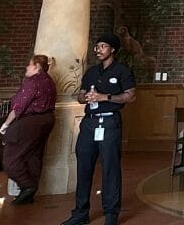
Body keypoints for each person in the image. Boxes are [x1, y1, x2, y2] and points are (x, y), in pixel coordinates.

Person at [61, 33, 135, 225]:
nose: (99, 50)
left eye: (103, 46)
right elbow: (80, 95)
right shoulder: (91, 72)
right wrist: (84, 97)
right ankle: (80, 213)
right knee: (83, 166)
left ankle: (111, 214)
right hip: (89, 123)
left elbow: (130, 96)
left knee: (110, 167)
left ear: (112, 50)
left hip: (110, 123)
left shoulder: (122, 71)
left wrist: (105, 98)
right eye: (97, 47)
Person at [1, 53, 58, 205]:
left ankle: (28, 186)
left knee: (10, 159)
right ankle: (28, 193)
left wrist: (6, 124)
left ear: (37, 67)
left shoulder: (32, 82)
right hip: (47, 120)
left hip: (30, 123)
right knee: (34, 156)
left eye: (29, 64)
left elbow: (19, 106)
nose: (27, 67)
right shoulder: (50, 81)